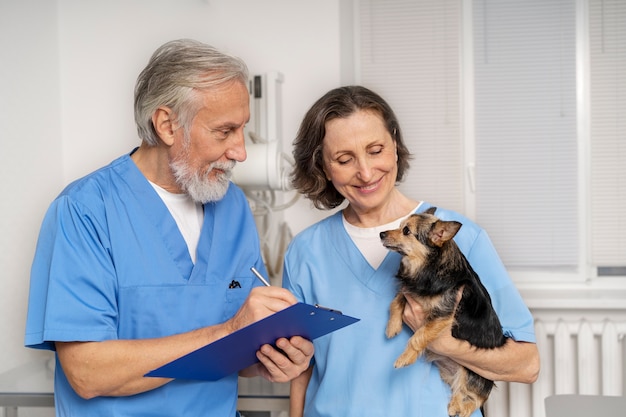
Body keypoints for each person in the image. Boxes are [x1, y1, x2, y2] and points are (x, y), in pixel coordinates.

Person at [24, 39, 313, 417]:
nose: (240, 151)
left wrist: (271, 358)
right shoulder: (85, 211)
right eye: (224, 132)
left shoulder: (234, 208)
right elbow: (86, 371)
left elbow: (241, 347)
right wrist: (226, 333)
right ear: (166, 125)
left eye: (242, 129)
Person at [282, 85, 540, 417]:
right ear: (323, 167)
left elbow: (526, 365)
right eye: (344, 159)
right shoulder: (306, 252)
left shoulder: (460, 239)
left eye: (375, 150)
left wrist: (443, 343)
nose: (365, 171)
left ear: (395, 145)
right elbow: (300, 365)